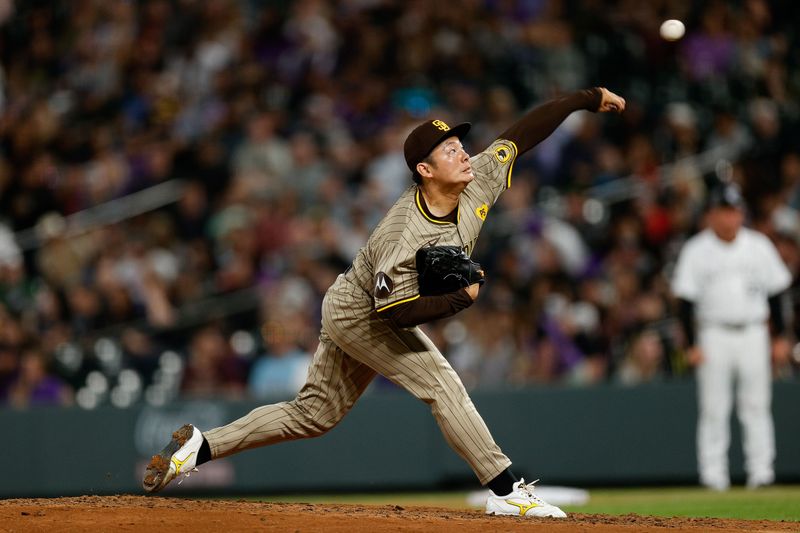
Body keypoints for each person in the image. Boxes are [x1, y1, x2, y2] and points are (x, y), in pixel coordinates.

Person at [143, 87, 626, 517]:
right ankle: (506, 491)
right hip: (362, 310)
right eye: (450, 150)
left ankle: (200, 447)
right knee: (441, 383)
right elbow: (391, 312)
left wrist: (585, 98)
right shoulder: (404, 234)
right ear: (425, 169)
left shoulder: (477, 177)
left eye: (460, 145)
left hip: (356, 303)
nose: (464, 154)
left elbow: (521, 134)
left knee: (313, 415)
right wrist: (459, 299)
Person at [671, 183, 792, 491]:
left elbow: (778, 295)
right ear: (711, 215)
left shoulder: (758, 245)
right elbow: (685, 302)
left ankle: (761, 473)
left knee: (757, 405)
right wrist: (691, 344)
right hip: (713, 334)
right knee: (714, 407)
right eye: (725, 211)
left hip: (754, 331)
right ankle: (713, 475)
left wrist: (780, 337)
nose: (731, 218)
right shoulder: (696, 249)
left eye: (736, 211)